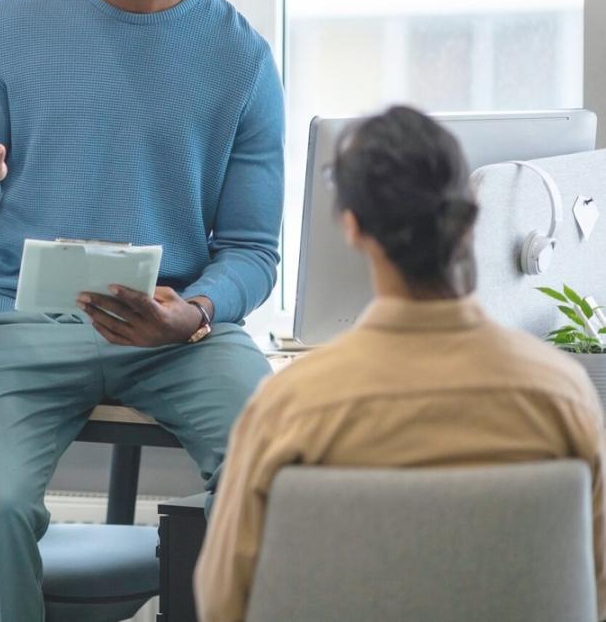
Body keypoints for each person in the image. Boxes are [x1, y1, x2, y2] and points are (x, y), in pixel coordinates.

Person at [0, 0, 283, 620]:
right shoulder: (13, 24)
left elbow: (253, 251)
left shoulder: (241, 58)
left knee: (279, 474)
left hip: (173, 336)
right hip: (17, 324)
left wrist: (195, 312)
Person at [194, 105, 606, 621]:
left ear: (352, 227)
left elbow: (223, 601)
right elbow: (594, 586)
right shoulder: (562, 398)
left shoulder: (290, 408)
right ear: (472, 217)